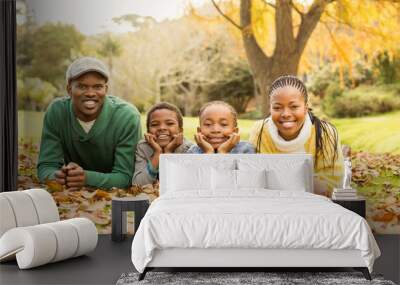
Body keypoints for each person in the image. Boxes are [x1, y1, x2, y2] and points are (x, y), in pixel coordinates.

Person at [37, 57, 142, 190]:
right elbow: (46, 166)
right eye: (82, 86)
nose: (91, 93)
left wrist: (86, 178)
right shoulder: (57, 112)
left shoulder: (127, 116)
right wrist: (60, 176)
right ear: (69, 89)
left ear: (106, 89)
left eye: (98, 87)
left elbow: (125, 177)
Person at [248, 75, 344, 197]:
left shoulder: (325, 133)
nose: (286, 114)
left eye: (294, 107)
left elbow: (332, 184)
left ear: (305, 107)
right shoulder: (260, 131)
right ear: (270, 108)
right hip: (273, 205)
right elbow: (256, 181)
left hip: (314, 206)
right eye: (277, 107)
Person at [132, 102, 193, 186]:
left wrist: (168, 152)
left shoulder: (188, 148)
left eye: (170, 123)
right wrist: (157, 153)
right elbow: (137, 183)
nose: (162, 128)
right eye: (155, 124)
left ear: (180, 130)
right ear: (148, 132)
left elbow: (183, 184)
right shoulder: (143, 147)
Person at [187, 101, 255, 154]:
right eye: (208, 124)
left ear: (235, 131)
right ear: (199, 131)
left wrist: (222, 152)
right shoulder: (193, 152)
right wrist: (209, 152)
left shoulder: (245, 149)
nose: (215, 130)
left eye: (223, 124)